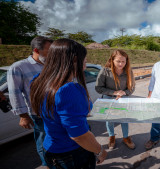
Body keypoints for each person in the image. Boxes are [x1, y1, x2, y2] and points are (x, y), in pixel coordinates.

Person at [30, 39, 107, 168]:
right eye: (85, 61)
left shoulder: (38, 80)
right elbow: (79, 136)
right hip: (71, 154)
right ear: (75, 59)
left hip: (50, 148)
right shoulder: (69, 90)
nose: (85, 66)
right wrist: (100, 151)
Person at [7, 36, 53, 167]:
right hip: (39, 114)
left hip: (56, 111)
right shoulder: (19, 67)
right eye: (49, 50)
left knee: (57, 142)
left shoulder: (50, 66)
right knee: (44, 142)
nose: (52, 54)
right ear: (37, 50)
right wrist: (23, 115)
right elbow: (14, 92)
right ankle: (47, 164)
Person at [95, 49, 136, 150]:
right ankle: (111, 136)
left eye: (123, 61)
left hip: (123, 99)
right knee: (110, 120)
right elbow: (98, 88)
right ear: (112, 60)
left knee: (124, 119)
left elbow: (132, 87)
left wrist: (124, 92)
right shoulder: (104, 71)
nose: (121, 64)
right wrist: (114, 93)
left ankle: (126, 137)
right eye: (118, 61)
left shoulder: (128, 71)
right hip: (108, 99)